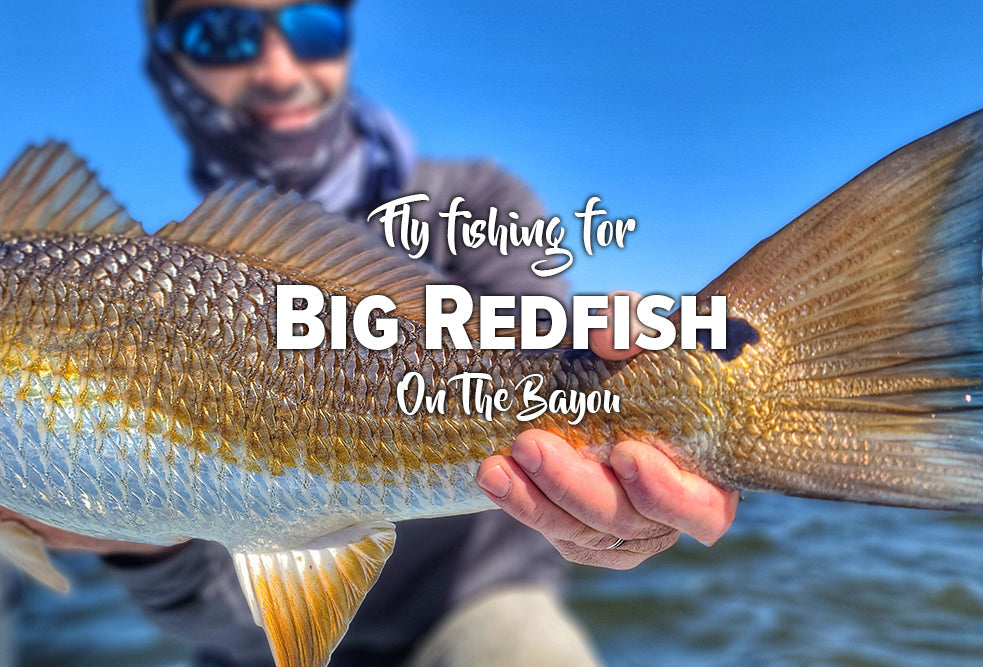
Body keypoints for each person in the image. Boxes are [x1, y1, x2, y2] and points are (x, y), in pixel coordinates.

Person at [4, 1, 738, 664]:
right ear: (170, 64)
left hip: (472, 606)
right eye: (219, 31)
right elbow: (227, 621)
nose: (277, 67)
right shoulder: (155, 266)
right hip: (249, 641)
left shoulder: (477, 201)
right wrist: (139, 539)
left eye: (312, 26)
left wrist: (626, 442)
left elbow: (556, 362)